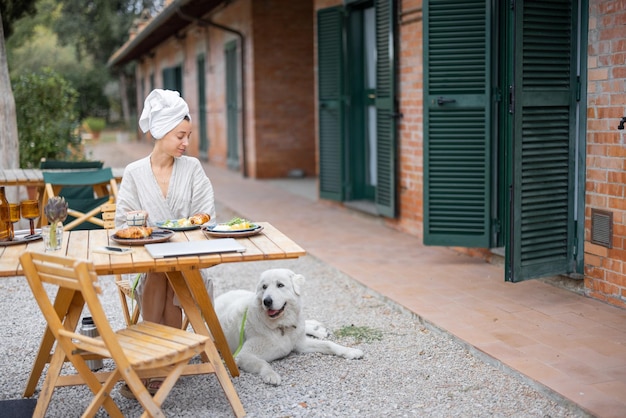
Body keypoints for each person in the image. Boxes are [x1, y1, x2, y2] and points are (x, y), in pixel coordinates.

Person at [115, 89, 216, 329]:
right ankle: (170, 349)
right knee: (160, 268)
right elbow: (122, 224)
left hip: (188, 263)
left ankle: (155, 344)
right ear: (160, 132)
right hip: (148, 265)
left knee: (169, 268)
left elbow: (206, 217)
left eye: (188, 135)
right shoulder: (134, 172)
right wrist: (136, 223)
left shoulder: (192, 168)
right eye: (180, 135)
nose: (187, 143)